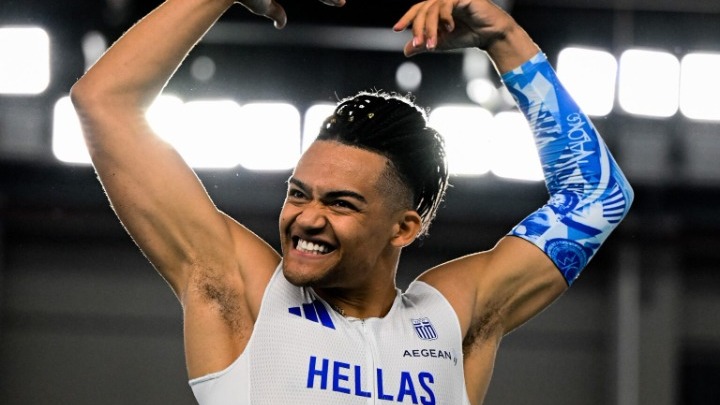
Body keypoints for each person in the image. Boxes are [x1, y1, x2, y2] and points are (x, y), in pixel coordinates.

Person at [70, 0, 634, 403]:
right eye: (298, 193)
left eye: (341, 204)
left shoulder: (450, 318)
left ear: (404, 227)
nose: (306, 218)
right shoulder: (246, 295)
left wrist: (505, 39)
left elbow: (598, 196)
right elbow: (103, 102)